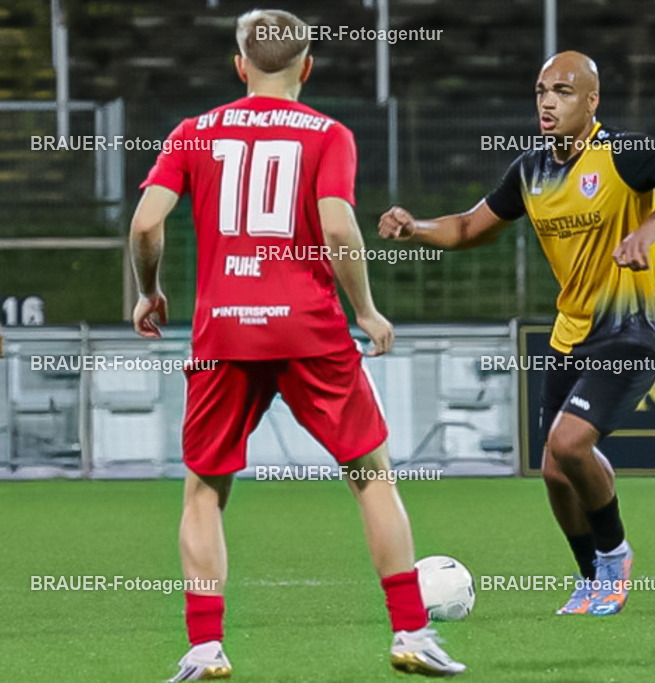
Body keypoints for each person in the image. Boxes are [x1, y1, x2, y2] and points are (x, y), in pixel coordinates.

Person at [129, 9, 464, 679]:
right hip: (308, 326)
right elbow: (337, 229)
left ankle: (205, 646)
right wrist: (365, 310)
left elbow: (145, 224)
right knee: (370, 475)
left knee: (204, 490)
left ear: (239, 65)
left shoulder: (193, 132)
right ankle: (410, 632)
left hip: (224, 330)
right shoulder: (328, 134)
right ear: (307, 66)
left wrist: (150, 290)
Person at [379, 51, 655, 616]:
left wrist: (652, 224)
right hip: (572, 333)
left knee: (569, 444)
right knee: (553, 470)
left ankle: (614, 557)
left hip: (633, 328)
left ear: (592, 102)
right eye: (542, 91)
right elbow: (468, 227)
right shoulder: (530, 171)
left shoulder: (623, 154)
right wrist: (414, 226)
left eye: (563, 92)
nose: (547, 102)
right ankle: (591, 579)